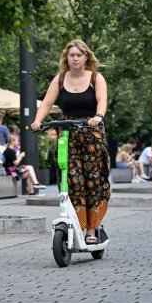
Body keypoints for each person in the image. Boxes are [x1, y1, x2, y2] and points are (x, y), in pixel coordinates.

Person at [31, 39, 110, 245]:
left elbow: (102, 100)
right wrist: (38, 121)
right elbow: (47, 102)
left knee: (92, 180)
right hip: (68, 135)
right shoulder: (60, 79)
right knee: (71, 180)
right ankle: (75, 222)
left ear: (86, 57)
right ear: (67, 58)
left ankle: (91, 229)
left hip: (91, 133)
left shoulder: (95, 77)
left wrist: (98, 116)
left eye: (78, 55)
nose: (75, 58)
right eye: (71, 55)